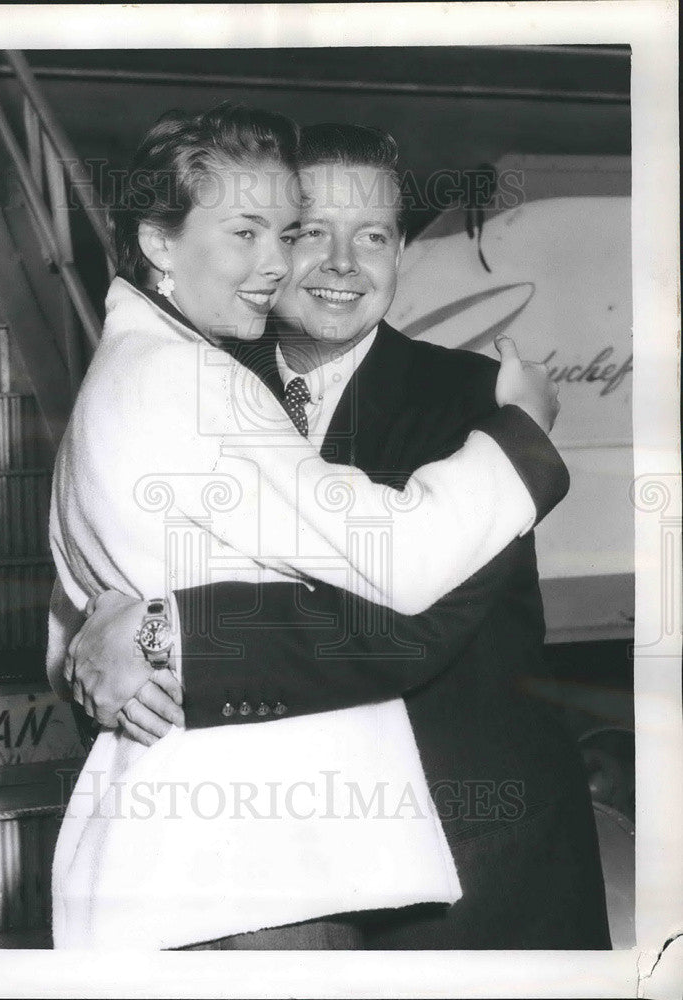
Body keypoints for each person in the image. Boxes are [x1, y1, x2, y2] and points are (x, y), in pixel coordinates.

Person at [47, 106, 569, 951]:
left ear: (402, 250)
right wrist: (99, 648)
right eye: (302, 231)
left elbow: (409, 628)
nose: (334, 264)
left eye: (371, 237)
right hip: (270, 868)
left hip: (472, 871)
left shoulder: (473, 403)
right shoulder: (205, 375)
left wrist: (154, 633)